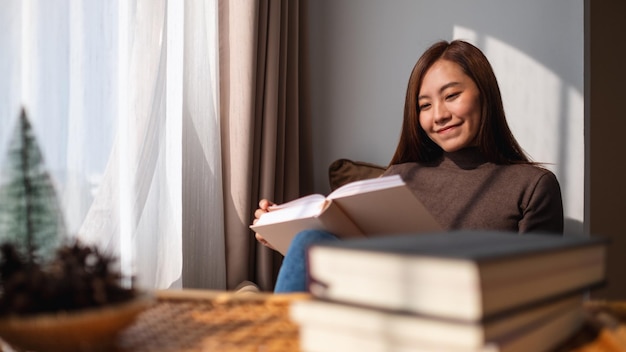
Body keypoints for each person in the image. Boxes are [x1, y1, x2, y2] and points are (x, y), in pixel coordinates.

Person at [253, 40, 564, 293]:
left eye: (452, 95)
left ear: (485, 96)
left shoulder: (532, 186)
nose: (438, 115)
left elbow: (540, 290)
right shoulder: (399, 176)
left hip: (459, 319)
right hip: (375, 307)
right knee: (309, 242)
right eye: (425, 105)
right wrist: (284, 235)